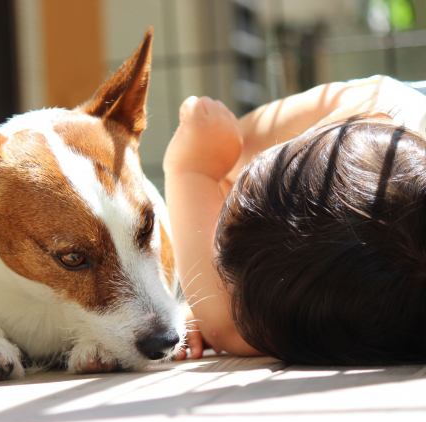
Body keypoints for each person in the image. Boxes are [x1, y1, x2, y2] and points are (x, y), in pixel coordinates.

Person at [164, 75, 426, 365]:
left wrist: (190, 169)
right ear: (359, 118)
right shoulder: (371, 100)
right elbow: (226, 148)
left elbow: (225, 328)